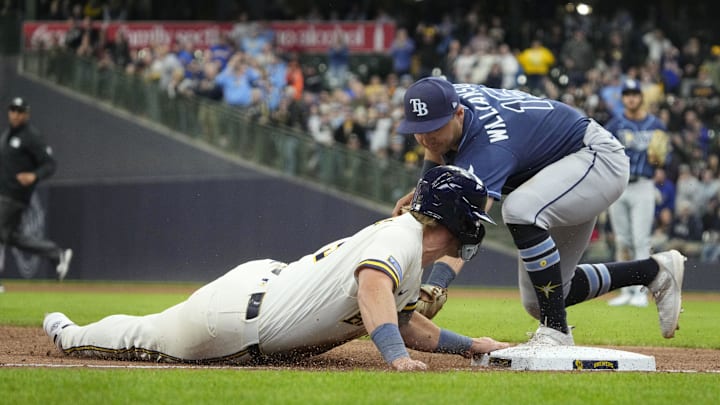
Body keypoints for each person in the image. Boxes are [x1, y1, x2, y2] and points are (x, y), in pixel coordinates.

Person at [43, 166, 508, 371]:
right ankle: (69, 335)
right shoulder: (398, 236)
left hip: (260, 292)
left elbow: (403, 321)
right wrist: (396, 360)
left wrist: (471, 347)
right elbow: (372, 294)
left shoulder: (403, 242)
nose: (476, 226)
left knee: (147, 330)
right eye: (473, 215)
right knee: (142, 337)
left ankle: (74, 332)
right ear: (453, 215)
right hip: (235, 322)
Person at [392, 77, 685, 345]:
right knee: (543, 296)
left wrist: (434, 283)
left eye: (434, 128)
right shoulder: (448, 100)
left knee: (519, 209)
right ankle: (653, 271)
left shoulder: (489, 148)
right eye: (418, 131)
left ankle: (556, 330)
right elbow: (435, 152)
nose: (426, 138)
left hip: (594, 158)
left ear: (457, 114)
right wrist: (422, 194)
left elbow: (464, 231)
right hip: (558, 173)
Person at [605, 79, 670, 307]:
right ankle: (626, 291)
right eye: (627, 94)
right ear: (623, 98)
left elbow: (665, 157)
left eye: (635, 94)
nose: (631, 98)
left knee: (641, 239)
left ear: (641, 97)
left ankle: (641, 291)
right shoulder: (615, 125)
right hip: (619, 185)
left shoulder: (656, 124)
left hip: (643, 184)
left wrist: (661, 163)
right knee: (622, 240)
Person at [0, 98, 73, 292]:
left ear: (26, 114)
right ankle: (56, 254)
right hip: (3, 192)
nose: (15, 114)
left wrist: (34, 175)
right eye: (12, 109)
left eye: (19, 110)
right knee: (12, 237)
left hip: (14, 195)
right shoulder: (7, 135)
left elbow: (49, 164)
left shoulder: (31, 136)